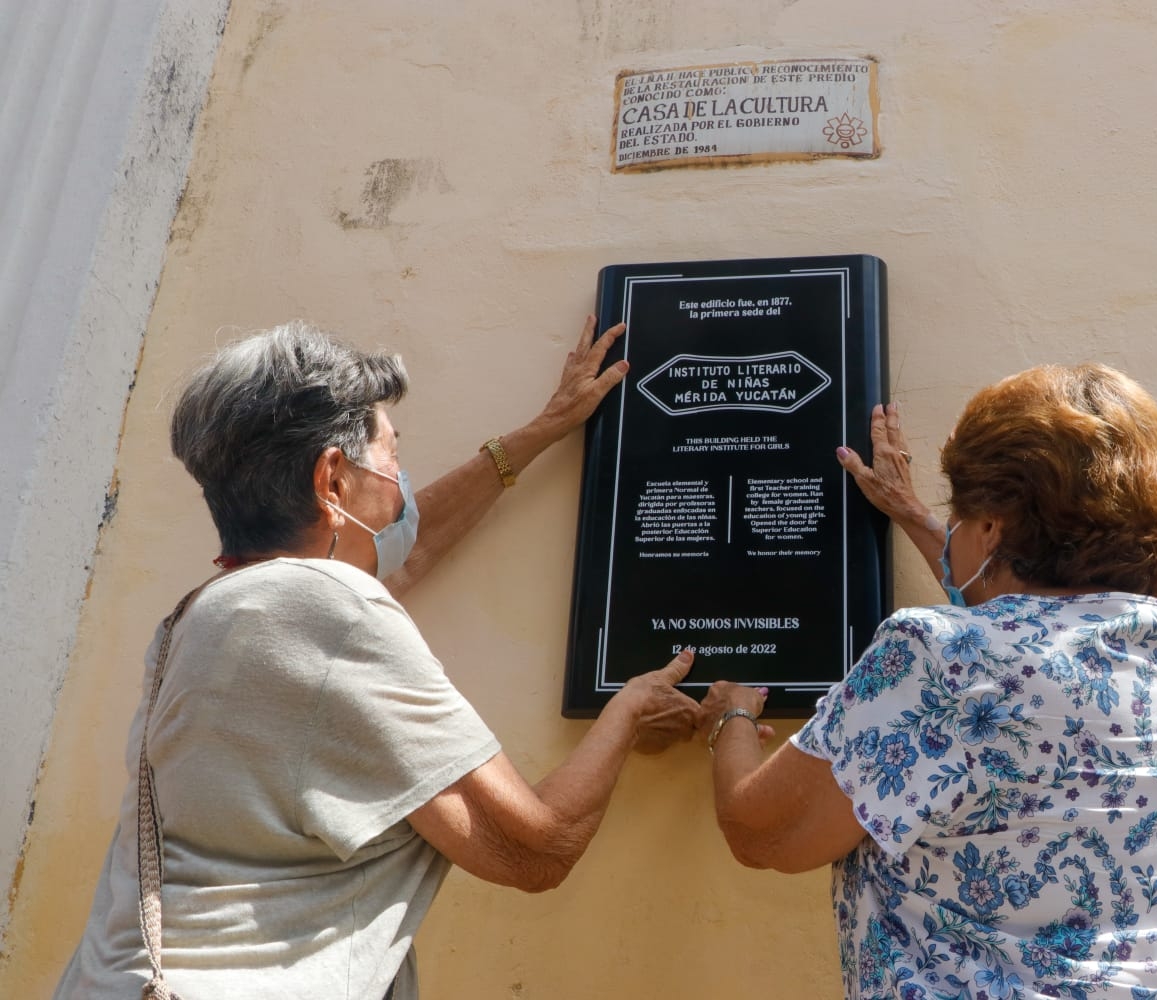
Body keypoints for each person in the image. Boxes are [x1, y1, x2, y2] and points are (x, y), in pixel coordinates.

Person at [55, 317, 702, 1000]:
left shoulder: (209, 613)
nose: (401, 481)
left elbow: (410, 548)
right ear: (332, 478)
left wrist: (542, 430)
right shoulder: (332, 611)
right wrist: (628, 710)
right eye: (392, 454)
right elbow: (533, 849)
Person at [700, 364, 1157, 999]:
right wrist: (915, 517)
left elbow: (764, 832)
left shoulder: (938, 658)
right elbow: (1031, 643)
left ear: (991, 527)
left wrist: (732, 715)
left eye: (959, 517)